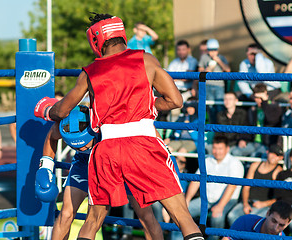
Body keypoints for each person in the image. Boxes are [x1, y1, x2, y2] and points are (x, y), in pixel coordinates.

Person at [35, 13, 204, 240]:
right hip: (143, 144)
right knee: (183, 217)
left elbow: (62, 111)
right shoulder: (147, 60)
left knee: (92, 220)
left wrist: (48, 110)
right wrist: (147, 105)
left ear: (96, 41)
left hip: (106, 150)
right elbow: (176, 100)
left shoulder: (90, 72)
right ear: (121, 33)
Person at [36, 105, 163, 240]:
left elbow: (147, 127)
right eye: (74, 146)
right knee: (66, 214)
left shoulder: (108, 120)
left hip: (121, 160)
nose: (81, 147)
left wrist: (163, 154)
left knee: (146, 216)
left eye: (84, 144)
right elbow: (51, 136)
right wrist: (46, 165)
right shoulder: (64, 125)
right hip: (84, 163)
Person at [177, 136, 244, 240]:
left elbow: (232, 186)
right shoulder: (208, 160)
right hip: (206, 199)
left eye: (220, 148)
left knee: (217, 216)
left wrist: (220, 206)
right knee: (181, 213)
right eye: (215, 148)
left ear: (227, 149)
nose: (217, 152)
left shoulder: (235, 163)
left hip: (228, 200)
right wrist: (187, 200)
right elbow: (196, 181)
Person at [227, 144, 283, 226]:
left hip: (264, 206)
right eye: (273, 153)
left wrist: (263, 204)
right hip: (248, 202)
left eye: (278, 155)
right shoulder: (255, 165)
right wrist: (245, 204)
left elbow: (279, 197)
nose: (274, 156)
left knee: (254, 221)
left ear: (281, 158)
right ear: (267, 152)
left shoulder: (278, 172)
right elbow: (246, 187)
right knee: (232, 216)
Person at [198, 38, 231, 124]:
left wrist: (219, 61)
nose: (213, 52)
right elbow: (199, 71)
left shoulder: (221, 58)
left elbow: (228, 70)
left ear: (218, 50)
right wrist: (206, 70)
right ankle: (212, 128)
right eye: (210, 50)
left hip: (219, 86)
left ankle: (220, 127)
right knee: (211, 107)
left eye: (215, 50)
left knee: (220, 107)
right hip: (208, 85)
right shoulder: (204, 57)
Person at [222, 201, 292, 239]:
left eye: (281, 225)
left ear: (287, 224)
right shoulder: (245, 221)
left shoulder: (282, 239)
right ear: (267, 213)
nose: (275, 228)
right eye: (273, 221)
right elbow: (227, 238)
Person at [246, 83, 282, 157]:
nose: (259, 101)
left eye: (261, 98)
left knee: (254, 155)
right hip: (254, 142)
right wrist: (243, 139)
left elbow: (271, 119)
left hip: (268, 144)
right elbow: (247, 126)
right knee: (234, 151)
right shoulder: (252, 110)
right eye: (257, 98)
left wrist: (265, 102)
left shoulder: (275, 107)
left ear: (266, 96)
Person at [212, 92, 252, 156]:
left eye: (230, 99)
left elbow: (247, 130)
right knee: (207, 149)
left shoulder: (243, 113)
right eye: (225, 99)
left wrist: (243, 140)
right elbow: (218, 133)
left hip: (238, 144)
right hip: (224, 144)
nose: (227, 101)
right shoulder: (220, 115)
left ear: (236, 101)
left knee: (236, 152)